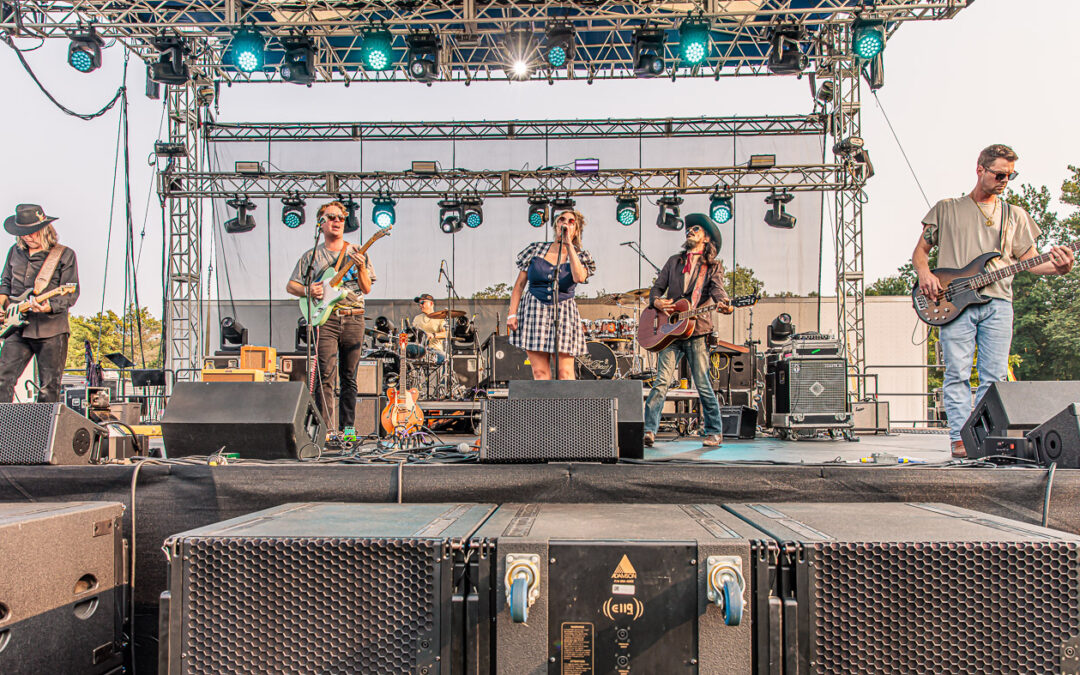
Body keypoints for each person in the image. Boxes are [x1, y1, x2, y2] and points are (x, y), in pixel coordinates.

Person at [913, 144, 1074, 458]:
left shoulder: (1015, 215)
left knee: (995, 375)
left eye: (1010, 176)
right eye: (999, 174)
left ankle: (987, 440)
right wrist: (924, 273)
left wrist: (1060, 267)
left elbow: (1030, 260)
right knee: (957, 372)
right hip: (954, 302)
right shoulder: (946, 208)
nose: (1004, 181)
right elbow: (920, 252)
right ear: (980, 169)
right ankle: (960, 440)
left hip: (999, 302)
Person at [643, 214, 732, 447]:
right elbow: (657, 288)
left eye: (696, 229)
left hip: (697, 331)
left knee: (702, 383)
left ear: (706, 238)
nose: (690, 231)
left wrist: (725, 303)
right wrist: (657, 303)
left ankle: (714, 431)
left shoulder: (712, 266)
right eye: (689, 228)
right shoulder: (674, 262)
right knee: (661, 381)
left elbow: (718, 291)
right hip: (670, 331)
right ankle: (648, 430)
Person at [286, 200, 375, 430]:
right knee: (325, 375)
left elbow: (366, 288)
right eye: (331, 217)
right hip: (326, 319)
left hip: (354, 316)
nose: (337, 222)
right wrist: (309, 290)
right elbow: (291, 286)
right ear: (321, 223)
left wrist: (362, 267)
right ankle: (324, 432)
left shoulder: (356, 251)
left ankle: (348, 432)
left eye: (341, 218)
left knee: (349, 377)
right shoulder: (312, 255)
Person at [0, 204, 80, 403]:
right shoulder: (14, 252)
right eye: (23, 233)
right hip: (17, 329)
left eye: (32, 232)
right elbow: (5, 283)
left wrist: (49, 306)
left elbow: (71, 292)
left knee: (49, 386)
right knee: (3, 379)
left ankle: (43, 432)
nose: (28, 237)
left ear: (45, 229)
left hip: (51, 329)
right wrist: (2, 305)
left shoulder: (64, 254)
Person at [507, 209, 596, 380]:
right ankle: (544, 408)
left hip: (563, 311)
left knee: (565, 372)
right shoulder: (535, 249)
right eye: (562, 219)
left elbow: (579, 277)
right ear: (556, 226)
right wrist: (512, 313)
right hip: (534, 309)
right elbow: (519, 284)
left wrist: (569, 245)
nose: (566, 223)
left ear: (576, 230)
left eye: (571, 221)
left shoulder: (581, 255)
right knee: (540, 373)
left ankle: (567, 408)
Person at [411, 293, 448, 365]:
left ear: (431, 303)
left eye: (422, 302)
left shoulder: (440, 318)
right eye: (419, 303)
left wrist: (433, 335)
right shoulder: (417, 318)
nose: (420, 305)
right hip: (419, 351)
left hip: (434, 350)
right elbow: (412, 334)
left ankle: (443, 376)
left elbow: (446, 333)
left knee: (446, 359)